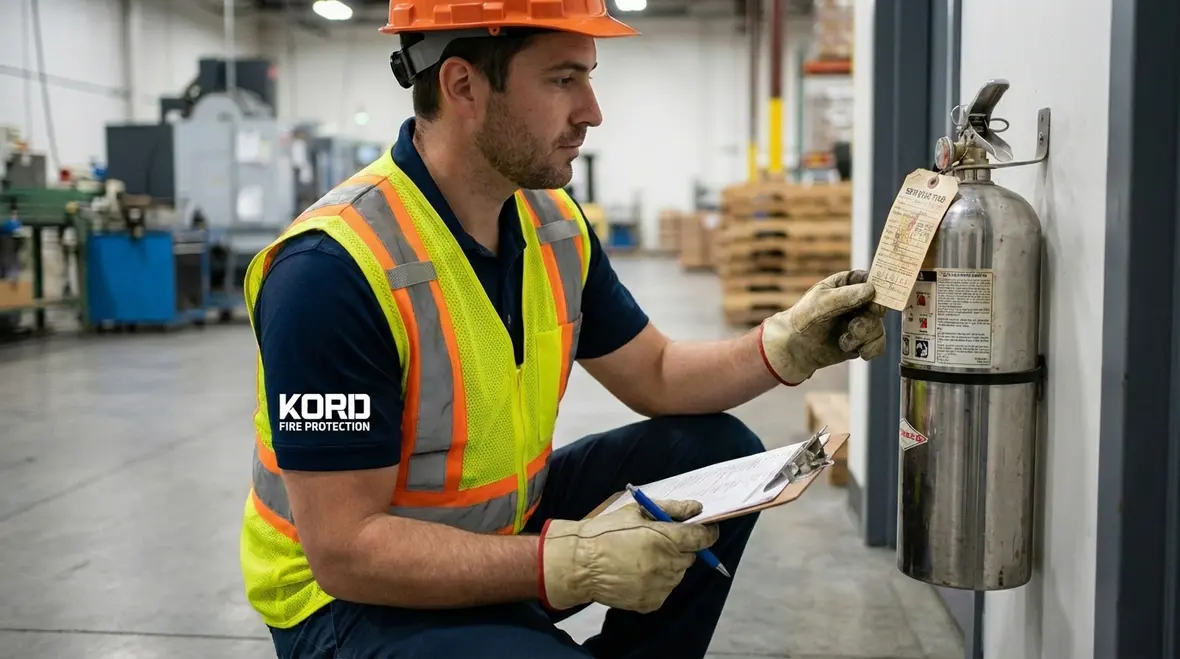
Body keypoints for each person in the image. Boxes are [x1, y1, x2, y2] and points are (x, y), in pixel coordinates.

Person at [238, 2, 887, 658]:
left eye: (588, 77)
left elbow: (656, 372)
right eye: (562, 79)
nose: (591, 111)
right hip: (351, 600)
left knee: (717, 450)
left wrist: (785, 345)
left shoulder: (551, 221)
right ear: (463, 85)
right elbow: (347, 550)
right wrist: (565, 562)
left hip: (498, 531)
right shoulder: (332, 270)